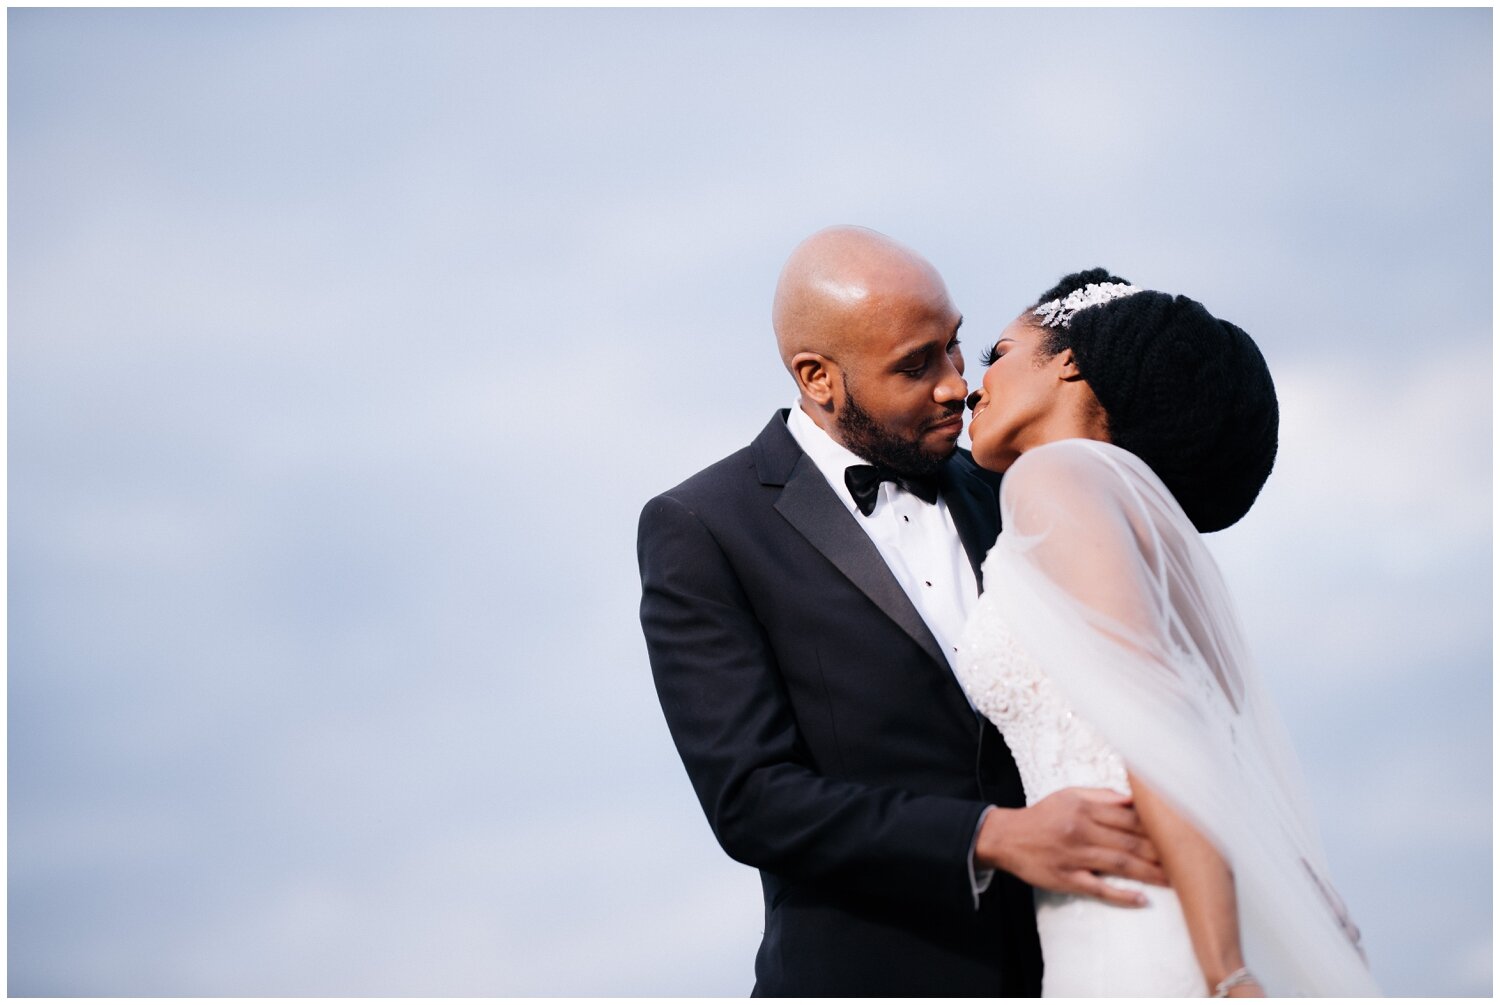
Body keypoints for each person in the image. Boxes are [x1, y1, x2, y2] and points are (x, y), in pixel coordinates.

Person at [636, 228, 1168, 996]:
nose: (957, 383)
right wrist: (990, 835)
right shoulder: (703, 527)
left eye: (955, 347)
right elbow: (751, 799)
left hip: (1074, 967)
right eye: (917, 365)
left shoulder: (1012, 490)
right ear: (819, 378)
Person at [957, 270, 1381, 996]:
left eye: (999, 350)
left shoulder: (1052, 476)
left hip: (1143, 923)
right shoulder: (1148, 531)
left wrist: (1225, 968)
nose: (973, 383)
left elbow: (1162, 714)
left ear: (1068, 360)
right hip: (1173, 897)